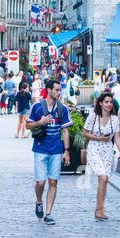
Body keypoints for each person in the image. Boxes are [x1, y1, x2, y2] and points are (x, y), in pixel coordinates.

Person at [25, 78, 71, 225]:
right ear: (48, 90)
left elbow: (65, 130)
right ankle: (39, 201)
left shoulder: (62, 109)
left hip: (56, 149)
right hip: (40, 147)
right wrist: (40, 122)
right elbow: (27, 126)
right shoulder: (37, 107)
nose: (59, 93)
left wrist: (67, 150)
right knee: (40, 182)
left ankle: (48, 212)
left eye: (59, 90)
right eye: (56, 90)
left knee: (53, 181)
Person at [84, 91, 120, 220]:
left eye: (111, 102)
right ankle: (99, 209)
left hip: (107, 150)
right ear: (100, 103)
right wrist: (98, 138)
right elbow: (85, 133)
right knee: (103, 177)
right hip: (94, 148)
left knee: (104, 179)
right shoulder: (93, 116)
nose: (109, 104)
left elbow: (117, 137)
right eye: (106, 102)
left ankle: (100, 208)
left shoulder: (114, 120)